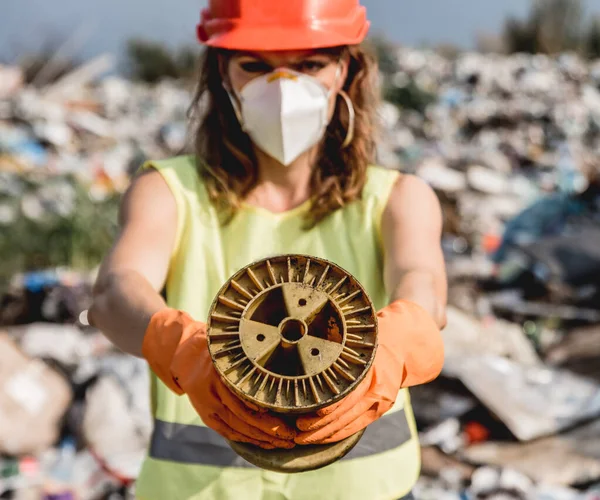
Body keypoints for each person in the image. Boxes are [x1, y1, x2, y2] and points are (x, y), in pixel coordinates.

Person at [89, 1, 447, 498]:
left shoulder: (398, 199)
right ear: (223, 73)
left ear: (346, 69)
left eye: (310, 65)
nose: (283, 91)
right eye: (255, 66)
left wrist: (394, 344)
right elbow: (114, 292)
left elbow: (424, 286)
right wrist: (185, 349)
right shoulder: (169, 193)